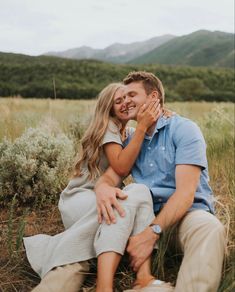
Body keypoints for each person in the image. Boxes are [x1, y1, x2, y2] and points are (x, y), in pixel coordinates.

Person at [23, 82, 166, 292]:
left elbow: (147, 132)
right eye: (118, 101)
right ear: (109, 108)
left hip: (103, 196)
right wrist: (143, 127)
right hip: (79, 198)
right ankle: (105, 283)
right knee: (121, 207)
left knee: (136, 196)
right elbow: (120, 165)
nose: (125, 103)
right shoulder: (108, 127)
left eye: (128, 98)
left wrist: (161, 114)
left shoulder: (130, 131)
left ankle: (141, 275)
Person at [95, 71, 226, 292]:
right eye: (123, 97)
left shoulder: (184, 129)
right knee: (132, 192)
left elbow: (186, 194)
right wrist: (102, 188)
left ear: (153, 97)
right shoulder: (134, 139)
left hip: (186, 217)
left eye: (132, 95)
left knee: (210, 227)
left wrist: (152, 232)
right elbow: (110, 177)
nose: (126, 101)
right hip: (148, 218)